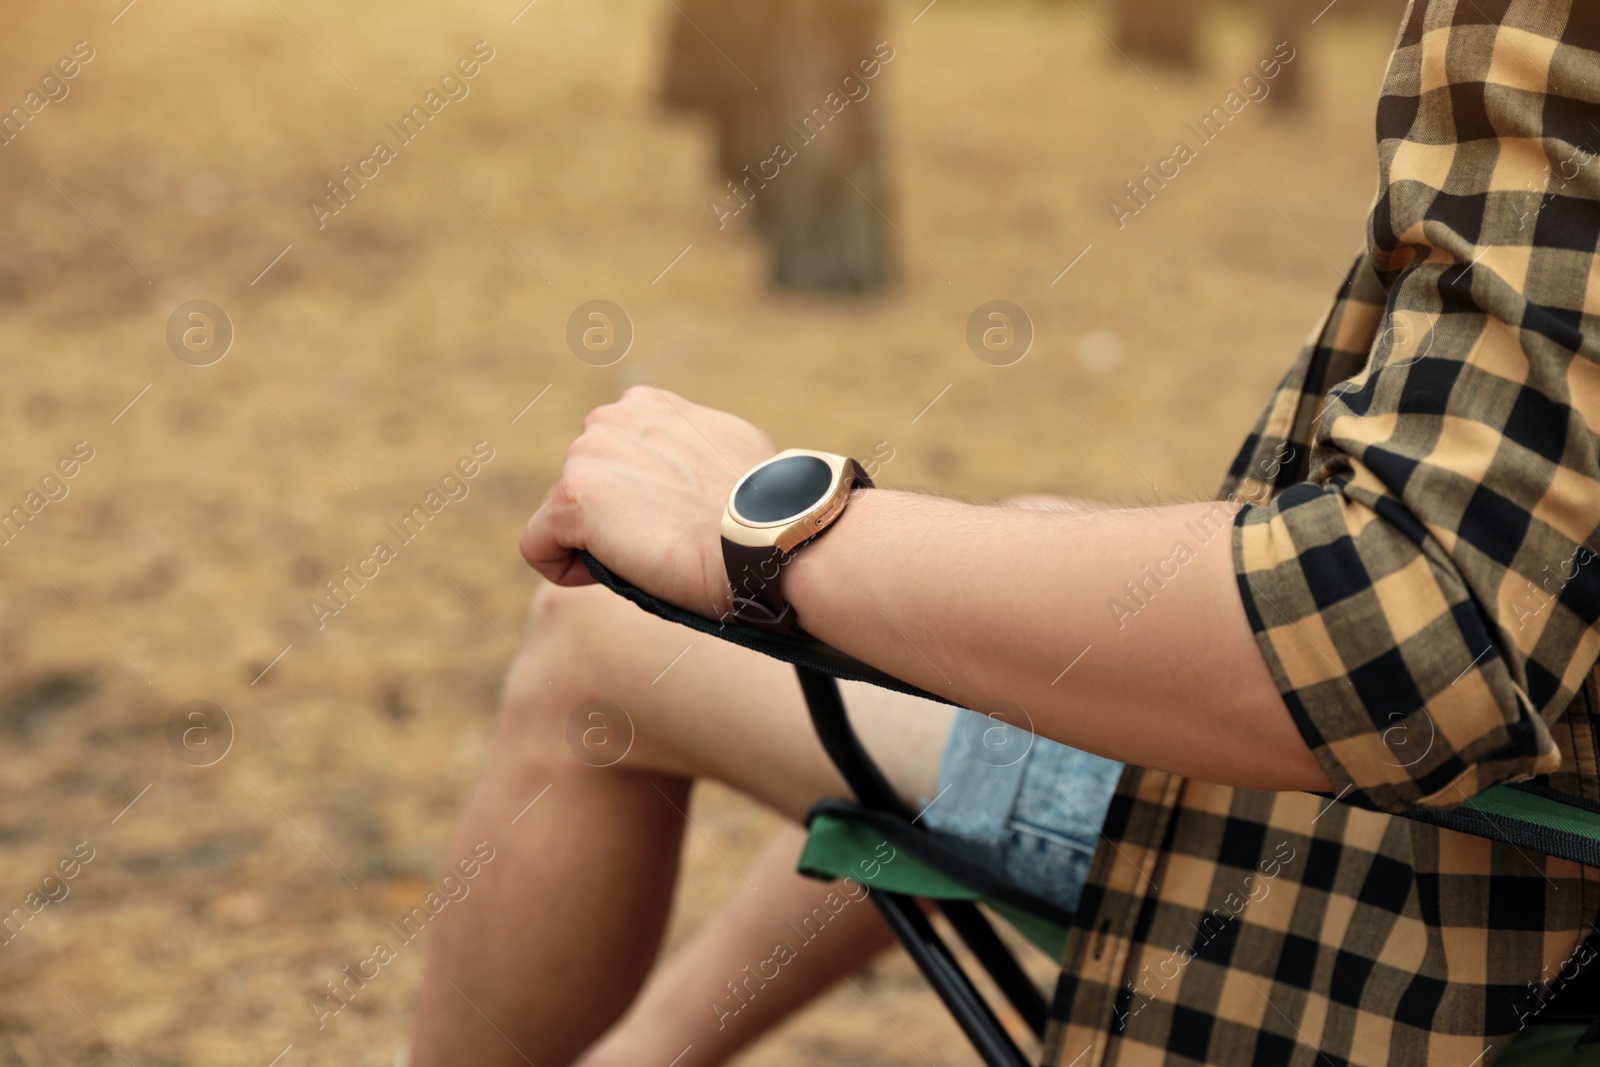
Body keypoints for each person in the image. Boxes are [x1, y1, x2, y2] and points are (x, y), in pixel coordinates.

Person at [409, 2, 1600, 1064]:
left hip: (1436, 883)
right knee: (1017, 552)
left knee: (595, 639)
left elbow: (1406, 622)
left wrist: (777, 537)